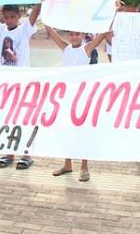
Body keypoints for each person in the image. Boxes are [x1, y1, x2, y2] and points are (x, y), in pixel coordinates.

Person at [46, 25, 110, 182]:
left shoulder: (86, 49)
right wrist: (45, 9)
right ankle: (67, 164)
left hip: (82, 97)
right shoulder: (66, 48)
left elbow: (102, 34)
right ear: (68, 35)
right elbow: (51, 32)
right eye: (71, 34)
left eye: (77, 34)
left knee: (83, 132)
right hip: (66, 96)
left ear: (82, 35)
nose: (74, 37)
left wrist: (112, 12)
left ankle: (84, 166)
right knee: (65, 130)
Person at [0, 2, 41, 170]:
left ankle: (26, 154)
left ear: (18, 16)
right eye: (7, 17)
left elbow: (36, 12)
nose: (9, 20)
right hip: (4, 84)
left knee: (23, 118)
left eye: (13, 17)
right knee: (6, 118)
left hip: (22, 84)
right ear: (2, 15)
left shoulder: (24, 29)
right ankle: (9, 152)